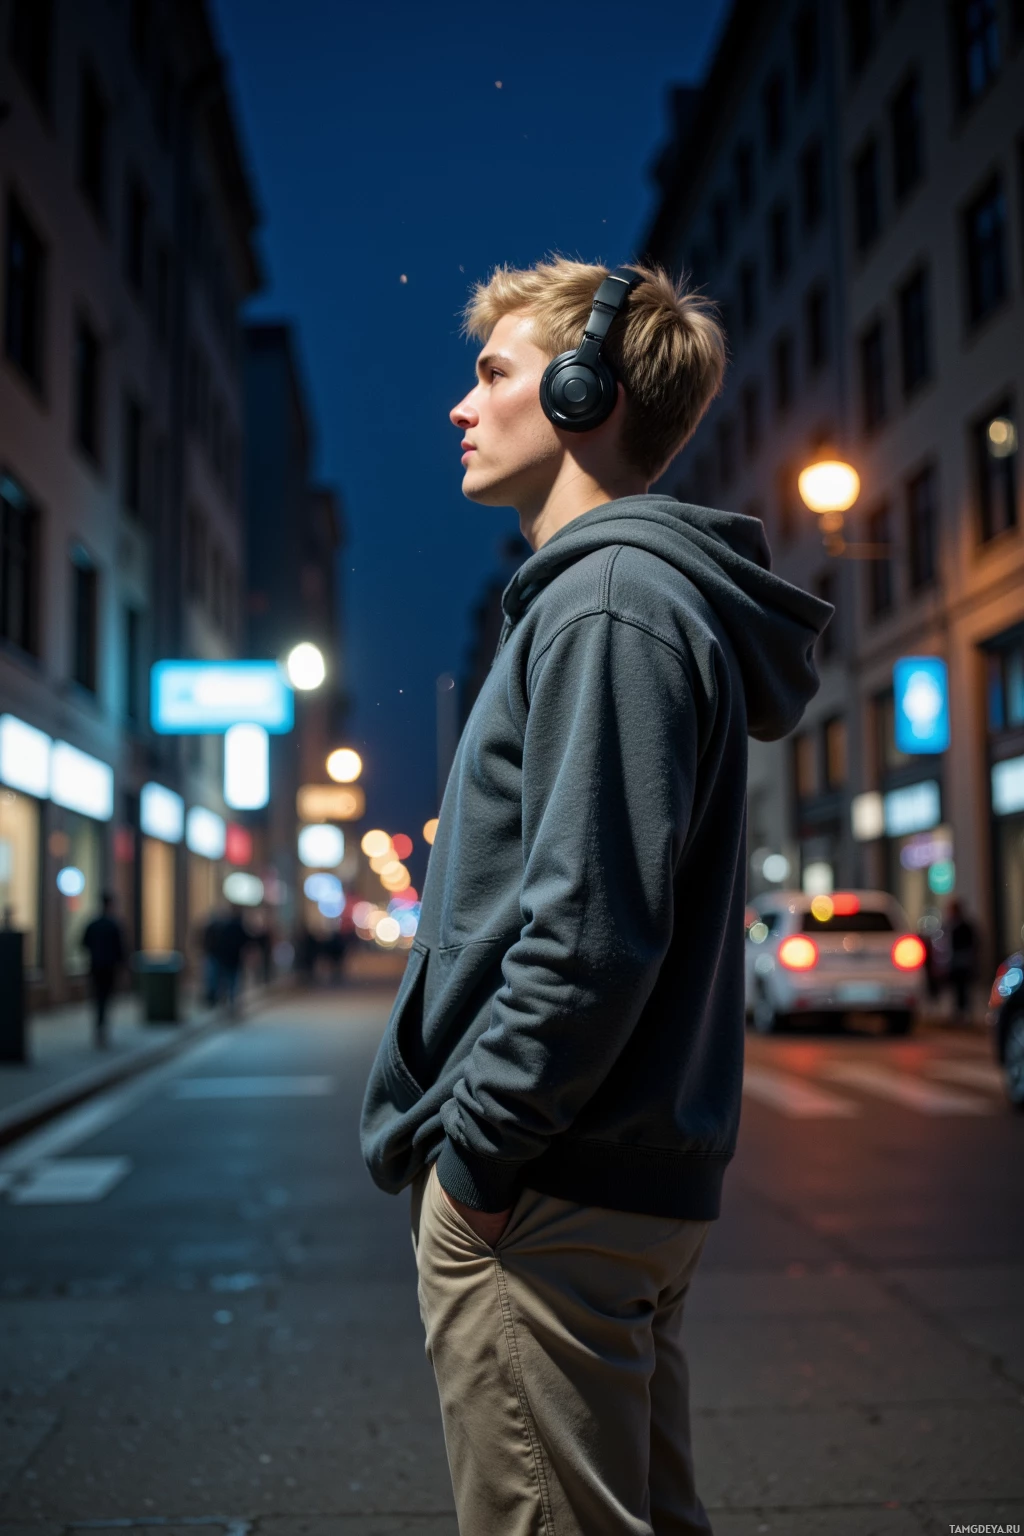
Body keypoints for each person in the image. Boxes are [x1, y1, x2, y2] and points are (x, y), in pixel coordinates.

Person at [360, 258, 832, 1535]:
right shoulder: (614, 602)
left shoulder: (608, 605)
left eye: (495, 374)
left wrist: (479, 1162)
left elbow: (586, 935)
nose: (461, 408)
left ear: (584, 393)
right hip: (603, 1179)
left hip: (550, 1189)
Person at [81, 892, 126, 1049]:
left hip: (96, 966)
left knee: (98, 998)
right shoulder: (113, 924)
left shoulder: (93, 924)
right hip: (109, 968)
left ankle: (99, 1027)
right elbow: (121, 949)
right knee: (105, 999)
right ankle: (102, 1028)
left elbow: (83, 943)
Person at [946, 898, 978, 1024]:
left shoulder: (965, 927)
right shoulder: (951, 927)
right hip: (956, 963)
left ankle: (964, 1013)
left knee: (964, 989)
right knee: (957, 990)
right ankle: (959, 1013)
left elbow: (973, 945)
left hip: (963, 962)